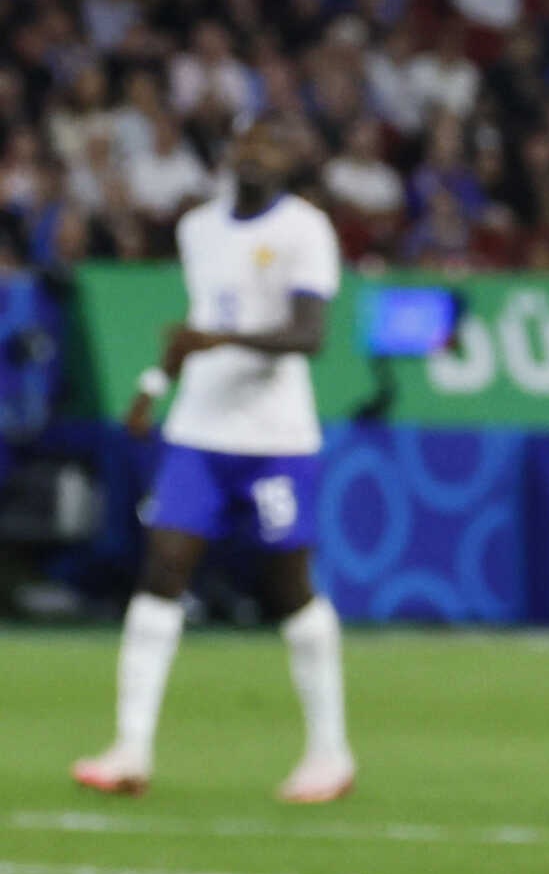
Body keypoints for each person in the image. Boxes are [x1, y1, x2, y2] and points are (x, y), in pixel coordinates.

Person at [73, 116, 354, 804]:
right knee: (163, 566)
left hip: (276, 437)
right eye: (246, 143)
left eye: (271, 144)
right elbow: (196, 325)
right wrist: (151, 386)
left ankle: (329, 751)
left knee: (287, 585)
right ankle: (131, 746)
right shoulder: (198, 228)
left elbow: (308, 335)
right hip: (200, 428)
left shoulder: (304, 229)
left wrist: (217, 340)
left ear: (288, 160)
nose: (255, 154)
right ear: (230, 154)